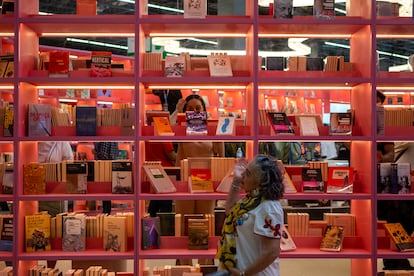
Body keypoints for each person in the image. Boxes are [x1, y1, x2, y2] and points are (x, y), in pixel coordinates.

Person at [216, 154, 284, 275]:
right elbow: (230, 212)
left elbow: (272, 251)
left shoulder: (269, 207)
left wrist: (244, 274)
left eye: (248, 173)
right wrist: (236, 180)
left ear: (260, 183)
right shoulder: (251, 199)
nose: (243, 175)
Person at [93, 142, 119, 214]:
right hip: (109, 166)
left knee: (105, 190)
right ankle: (107, 212)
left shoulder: (105, 140)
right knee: (106, 192)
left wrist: (96, 153)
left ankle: (106, 212)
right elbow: (114, 154)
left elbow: (103, 154)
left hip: (104, 166)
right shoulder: (113, 140)